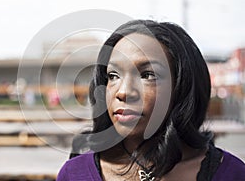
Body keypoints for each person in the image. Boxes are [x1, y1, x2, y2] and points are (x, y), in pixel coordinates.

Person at [57, 20, 245, 181]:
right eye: (113, 75)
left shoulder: (231, 174)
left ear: (183, 86)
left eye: (148, 75)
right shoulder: (74, 174)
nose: (123, 92)